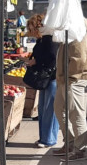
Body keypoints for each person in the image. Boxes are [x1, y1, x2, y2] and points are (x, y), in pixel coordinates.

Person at [53, 18, 87, 162]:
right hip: (66, 78)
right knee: (59, 109)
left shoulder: (78, 24)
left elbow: (79, 56)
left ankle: (80, 149)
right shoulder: (72, 23)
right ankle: (70, 142)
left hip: (74, 78)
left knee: (76, 113)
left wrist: (71, 77)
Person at [25, 15, 60, 148]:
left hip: (51, 77)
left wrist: (36, 61)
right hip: (46, 78)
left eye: (32, 28)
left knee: (50, 108)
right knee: (43, 108)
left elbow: (52, 57)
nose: (31, 32)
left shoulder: (49, 38)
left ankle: (49, 139)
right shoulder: (43, 39)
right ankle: (44, 137)